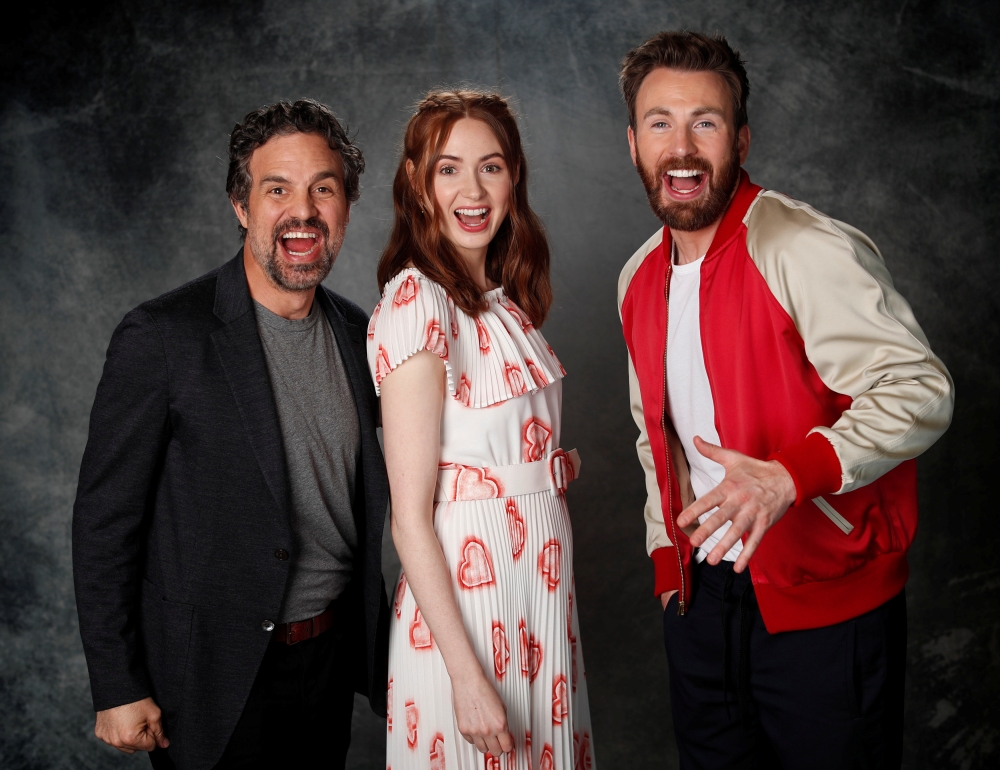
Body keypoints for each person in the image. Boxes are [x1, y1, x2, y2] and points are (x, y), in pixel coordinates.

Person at [616, 31, 953, 769]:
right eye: (659, 123)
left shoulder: (802, 247)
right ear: (634, 143)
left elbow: (920, 388)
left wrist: (789, 474)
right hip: (700, 604)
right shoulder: (638, 278)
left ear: (740, 138)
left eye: (704, 121)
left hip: (823, 603)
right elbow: (655, 436)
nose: (681, 146)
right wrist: (665, 556)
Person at [72, 98, 390, 770]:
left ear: (346, 209)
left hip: (329, 664)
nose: (302, 212)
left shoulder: (365, 336)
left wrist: (529, 463)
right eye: (278, 189)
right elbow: (105, 523)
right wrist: (117, 684)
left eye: (322, 190)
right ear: (242, 206)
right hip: (211, 679)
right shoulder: (162, 337)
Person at [367, 90, 595, 770]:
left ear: (514, 176)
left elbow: (486, 442)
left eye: (491, 167)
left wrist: (545, 468)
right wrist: (466, 678)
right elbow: (408, 517)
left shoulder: (506, 301)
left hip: (540, 590)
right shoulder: (417, 299)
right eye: (448, 169)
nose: (473, 189)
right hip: (469, 608)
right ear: (416, 182)